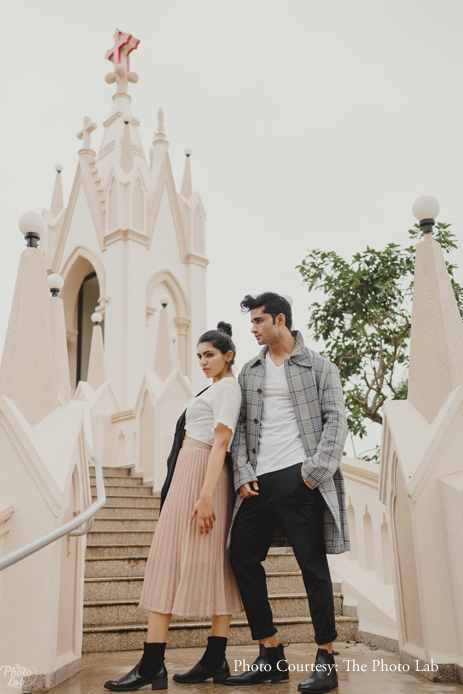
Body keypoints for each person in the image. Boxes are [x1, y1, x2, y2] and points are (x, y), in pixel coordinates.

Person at [104, 322, 243, 692]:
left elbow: (221, 443)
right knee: (167, 558)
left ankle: (190, 660)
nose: (202, 361)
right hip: (186, 472)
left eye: (209, 355)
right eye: (198, 356)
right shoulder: (213, 388)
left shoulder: (228, 388)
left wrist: (207, 494)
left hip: (202, 475)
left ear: (228, 355)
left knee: (210, 561)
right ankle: (159, 663)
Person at [223, 293, 349, 693]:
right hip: (258, 483)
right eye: (251, 323)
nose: (254, 329)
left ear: (280, 319)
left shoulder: (319, 366)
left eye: (259, 321)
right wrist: (242, 471)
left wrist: (312, 473)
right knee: (240, 556)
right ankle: (270, 653)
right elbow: (240, 430)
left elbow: (336, 421)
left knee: (312, 568)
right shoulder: (250, 371)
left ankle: (326, 657)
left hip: (300, 478)